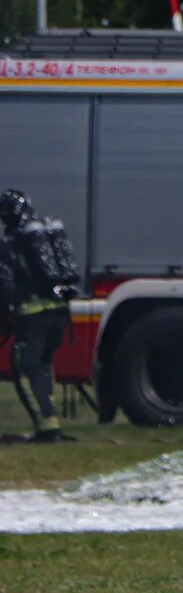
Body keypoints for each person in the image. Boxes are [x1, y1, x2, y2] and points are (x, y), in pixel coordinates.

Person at [1, 189, 77, 444]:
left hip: (32, 316)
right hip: (58, 314)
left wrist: (5, 315)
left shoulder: (12, 241)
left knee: (26, 369)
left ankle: (46, 427)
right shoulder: (45, 232)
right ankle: (52, 424)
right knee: (44, 368)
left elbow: (7, 284)